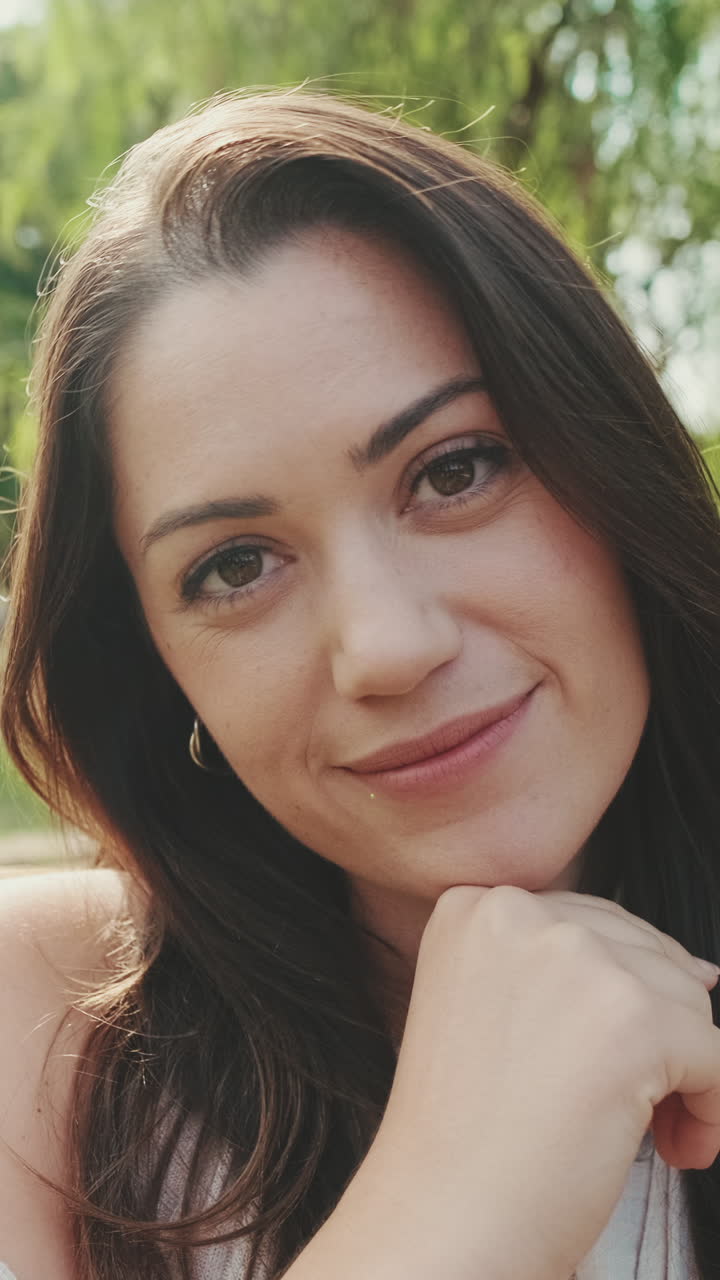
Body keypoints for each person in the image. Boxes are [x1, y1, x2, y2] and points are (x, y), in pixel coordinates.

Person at [0, 85, 719, 1280]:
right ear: (158, 667)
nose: (386, 644)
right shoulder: (40, 1039)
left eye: (457, 469)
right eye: (235, 566)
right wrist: (454, 1200)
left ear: (611, 461)